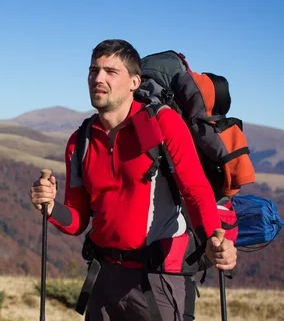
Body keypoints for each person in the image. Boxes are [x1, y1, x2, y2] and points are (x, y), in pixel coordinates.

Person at [30, 39, 237, 321]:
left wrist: (214, 239)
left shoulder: (162, 123)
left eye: (110, 71)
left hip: (159, 278)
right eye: (93, 70)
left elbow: (195, 189)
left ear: (134, 81)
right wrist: (51, 208)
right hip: (104, 279)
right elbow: (78, 220)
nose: (98, 78)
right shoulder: (80, 142)